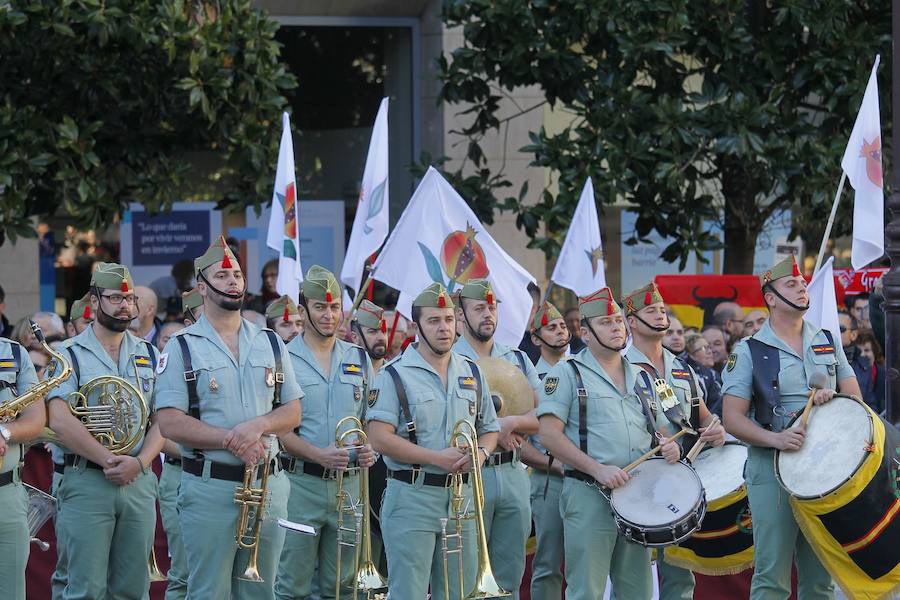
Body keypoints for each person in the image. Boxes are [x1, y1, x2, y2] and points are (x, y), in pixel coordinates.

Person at [155, 236, 302, 600]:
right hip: (210, 487)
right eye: (222, 276)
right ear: (201, 287)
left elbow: (293, 410)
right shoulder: (181, 346)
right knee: (209, 592)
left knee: (261, 592)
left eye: (236, 274)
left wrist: (258, 426)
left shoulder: (270, 341)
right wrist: (228, 438)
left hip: (268, 486)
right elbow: (169, 422)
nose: (233, 281)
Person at [722, 254, 861, 600]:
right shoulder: (750, 350)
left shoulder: (827, 339)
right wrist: (776, 438)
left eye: (802, 283)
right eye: (791, 284)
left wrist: (837, 403)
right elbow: (732, 418)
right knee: (772, 576)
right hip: (771, 469)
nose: (801, 289)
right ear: (770, 298)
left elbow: (855, 399)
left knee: (820, 578)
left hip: (824, 469)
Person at [537, 287, 680, 599]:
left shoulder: (644, 377)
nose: (616, 327)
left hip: (638, 496)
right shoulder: (567, 373)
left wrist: (672, 447)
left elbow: (664, 429)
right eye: (605, 322)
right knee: (586, 590)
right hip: (589, 494)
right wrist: (597, 469)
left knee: (637, 591)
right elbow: (547, 435)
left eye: (618, 321)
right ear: (585, 332)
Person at [366, 283, 499, 599]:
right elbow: (378, 437)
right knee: (408, 593)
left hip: (462, 497)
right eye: (434, 321)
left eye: (449, 320)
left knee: (458, 592)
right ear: (415, 326)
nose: (444, 328)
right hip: (412, 495)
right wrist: (435, 457)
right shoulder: (394, 374)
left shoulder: (472, 372)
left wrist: (480, 453)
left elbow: (490, 429)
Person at [46, 263, 164, 600]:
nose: (125, 305)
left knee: (133, 589)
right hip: (87, 479)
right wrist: (110, 460)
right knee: (84, 589)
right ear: (95, 301)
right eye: (115, 297)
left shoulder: (149, 354)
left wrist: (139, 463)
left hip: (138, 480)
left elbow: (163, 420)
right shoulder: (67, 355)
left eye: (129, 298)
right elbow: (60, 419)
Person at [274, 265, 376, 600]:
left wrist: (370, 448)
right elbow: (279, 431)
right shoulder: (284, 358)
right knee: (292, 585)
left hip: (349, 489)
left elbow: (372, 421)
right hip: (300, 485)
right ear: (303, 312)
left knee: (344, 587)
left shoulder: (359, 359)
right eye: (320, 307)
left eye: (334, 307)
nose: (329, 315)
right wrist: (318, 454)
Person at [623, 282, 726, 600]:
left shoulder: (681, 368)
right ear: (632, 321)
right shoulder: (620, 366)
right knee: (632, 579)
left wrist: (715, 429)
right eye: (650, 310)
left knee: (680, 576)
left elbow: (702, 416)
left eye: (662, 310)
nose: (659, 314)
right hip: (636, 481)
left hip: (679, 480)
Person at [452, 278, 540, 597]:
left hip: (512, 472)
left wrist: (510, 423)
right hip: (468, 473)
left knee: (509, 575)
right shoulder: (448, 358)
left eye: (491, 307)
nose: (488, 314)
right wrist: (493, 432)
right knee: (465, 576)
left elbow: (542, 416)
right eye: (479, 308)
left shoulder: (516, 358)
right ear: (460, 316)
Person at [521, 301, 569, 599]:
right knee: (549, 564)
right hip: (549, 478)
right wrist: (554, 465)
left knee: (585, 563)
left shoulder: (584, 369)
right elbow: (521, 444)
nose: (560, 331)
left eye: (563, 325)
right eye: (551, 328)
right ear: (536, 339)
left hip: (588, 477)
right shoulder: (528, 380)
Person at [0, 331, 42, 600]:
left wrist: (4, 433)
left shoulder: (14, 354)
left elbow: (36, 421)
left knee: (12, 592)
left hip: (7, 494)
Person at [684, 333, 723, 417]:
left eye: (708, 347)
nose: (710, 351)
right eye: (703, 348)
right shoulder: (686, 375)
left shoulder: (713, 374)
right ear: (691, 355)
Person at [351, 299, 389, 373]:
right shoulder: (342, 370)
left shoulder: (397, 374)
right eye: (372, 332)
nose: (381, 338)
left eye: (384, 331)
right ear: (355, 338)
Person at [855, 329, 885, 414]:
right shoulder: (853, 373)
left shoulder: (884, 374)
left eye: (867, 350)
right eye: (859, 351)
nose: (862, 355)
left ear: (874, 352)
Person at [518, 282, 543, 364]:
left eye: (529, 307)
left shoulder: (543, 343)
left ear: (538, 310)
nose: (525, 311)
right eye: (521, 305)